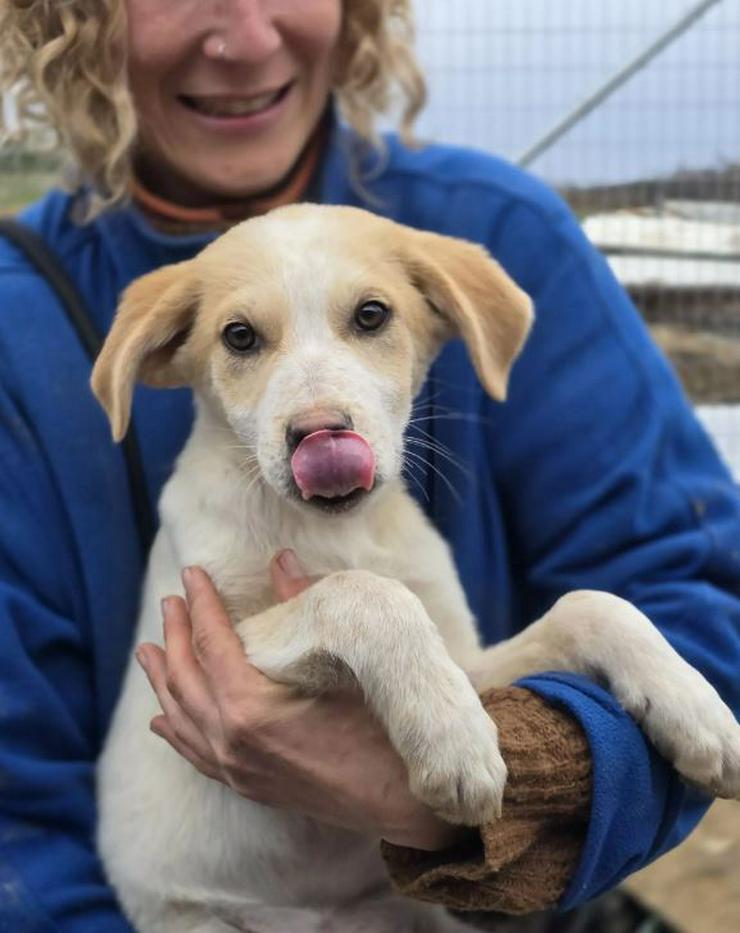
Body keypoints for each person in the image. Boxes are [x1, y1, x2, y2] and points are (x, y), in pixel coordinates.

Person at [0, 1, 738, 930]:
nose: (317, 405)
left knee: (583, 617)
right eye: (243, 338)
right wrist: (362, 617)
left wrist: (465, 780)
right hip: (208, 904)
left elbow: (653, 608)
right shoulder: (23, 333)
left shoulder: (491, 226)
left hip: (419, 908)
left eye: (370, 319)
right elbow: (26, 817)